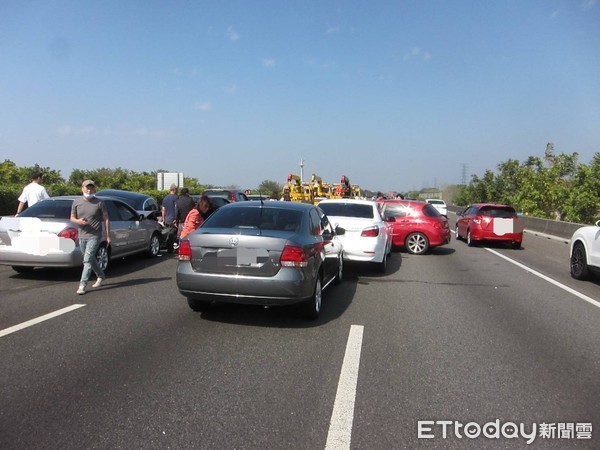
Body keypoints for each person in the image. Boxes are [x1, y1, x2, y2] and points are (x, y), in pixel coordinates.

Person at [70, 180, 111, 295]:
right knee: (90, 258)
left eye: (91, 188)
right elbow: (72, 217)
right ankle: (101, 276)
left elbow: (106, 219)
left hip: (95, 235)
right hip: (82, 235)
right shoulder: (76, 202)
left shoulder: (99, 203)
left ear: (94, 189)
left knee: (87, 260)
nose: (89, 190)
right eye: (87, 188)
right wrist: (78, 221)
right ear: (82, 188)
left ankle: (82, 285)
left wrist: (108, 235)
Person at [161, 184, 179, 251]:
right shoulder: (176, 198)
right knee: (173, 234)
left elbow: (163, 209)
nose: (177, 191)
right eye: (177, 189)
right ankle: (171, 248)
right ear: (174, 189)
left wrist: (163, 219)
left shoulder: (165, 198)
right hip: (173, 218)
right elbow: (177, 208)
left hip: (167, 219)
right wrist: (176, 219)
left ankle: (168, 247)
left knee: (168, 233)